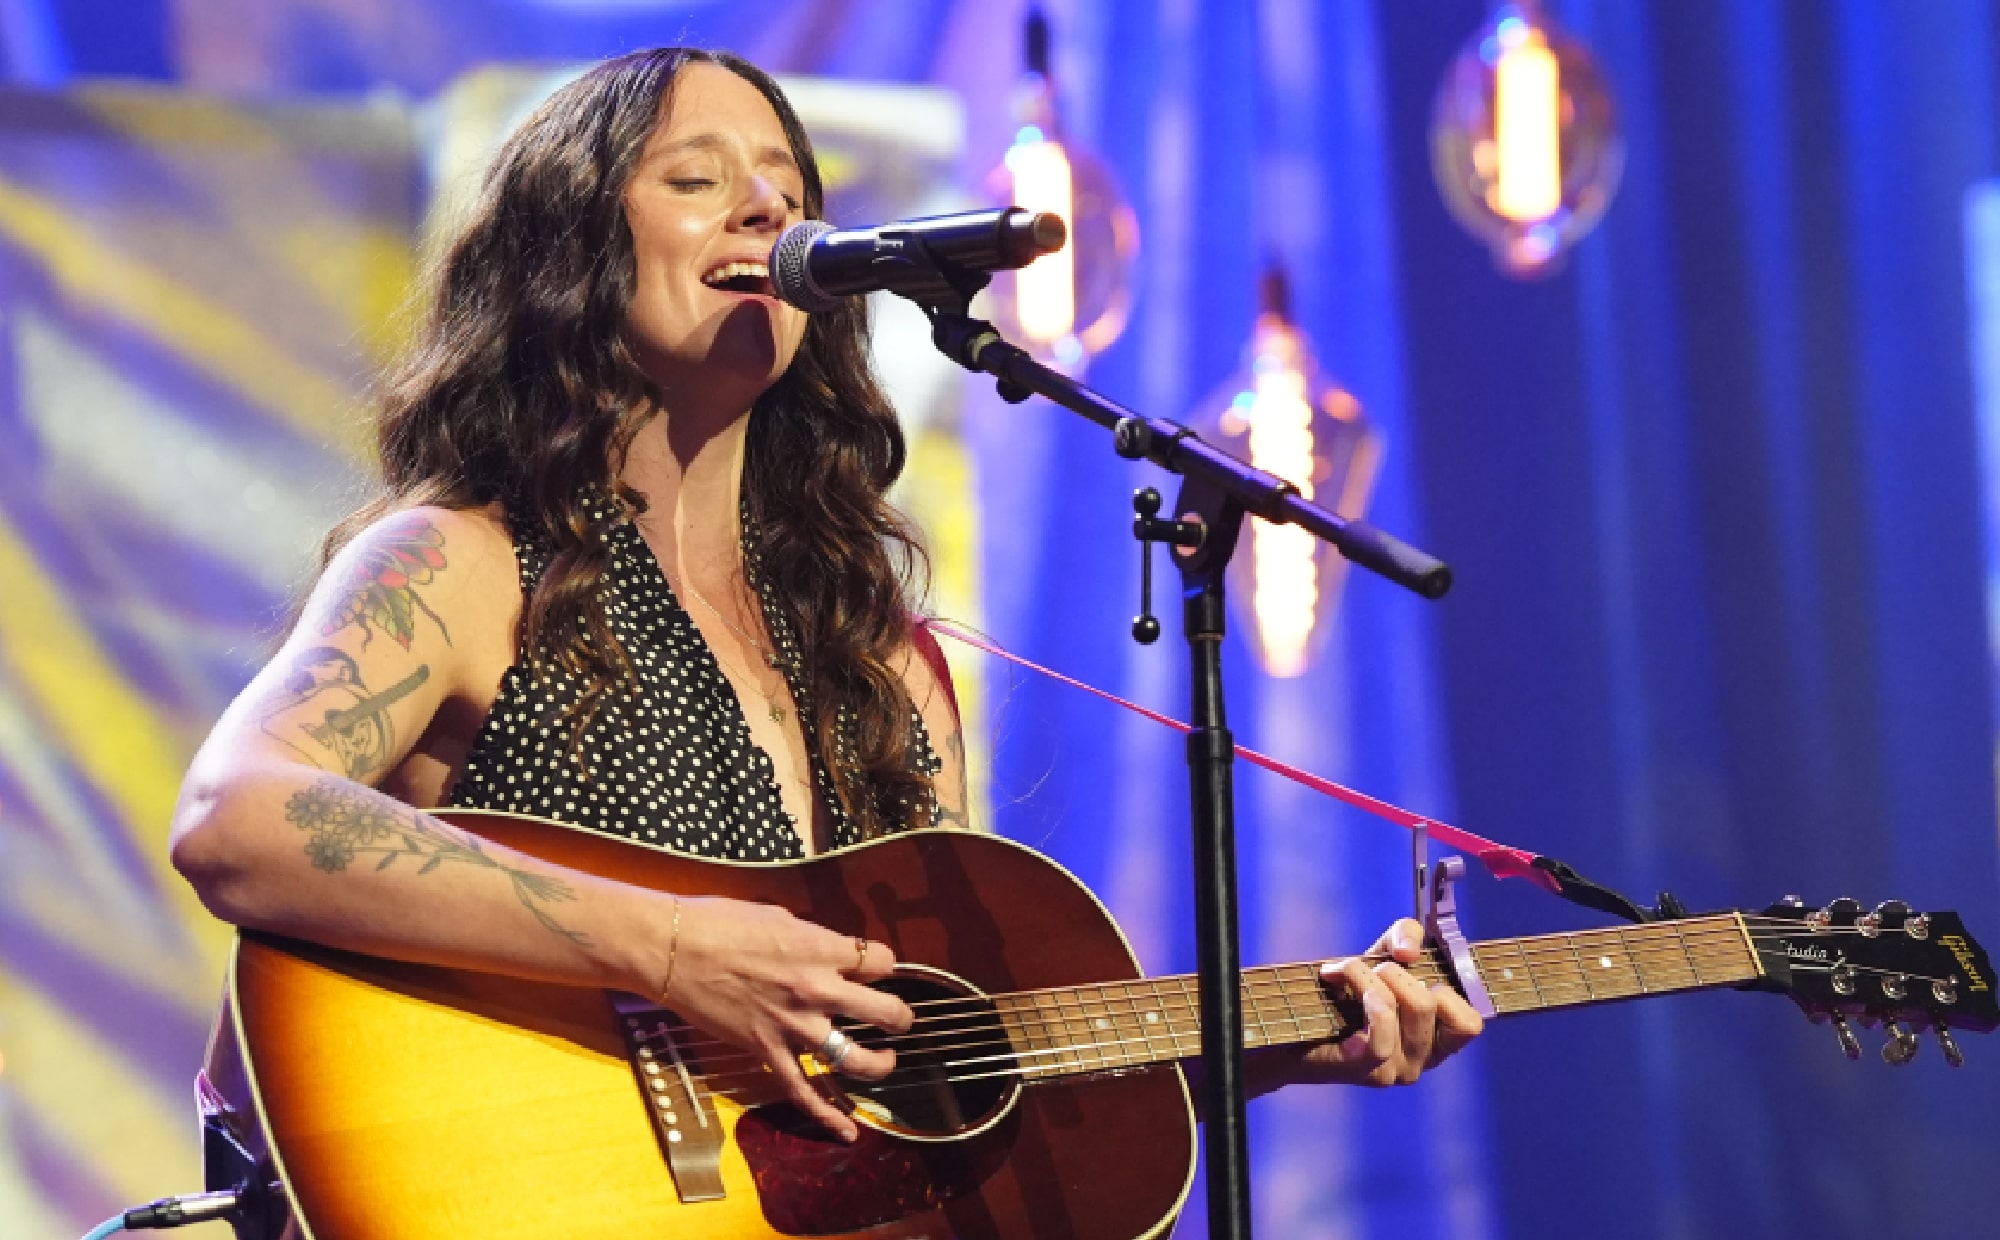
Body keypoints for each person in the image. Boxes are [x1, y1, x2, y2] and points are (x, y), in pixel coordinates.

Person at [169, 46, 1482, 1151]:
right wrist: (677, 951)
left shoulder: (880, 659)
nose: (765, 211)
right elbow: (238, 817)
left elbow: (946, 1092)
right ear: (568, 249)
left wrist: (1278, 1047)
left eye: (789, 191)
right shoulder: (459, 560)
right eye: (698, 180)